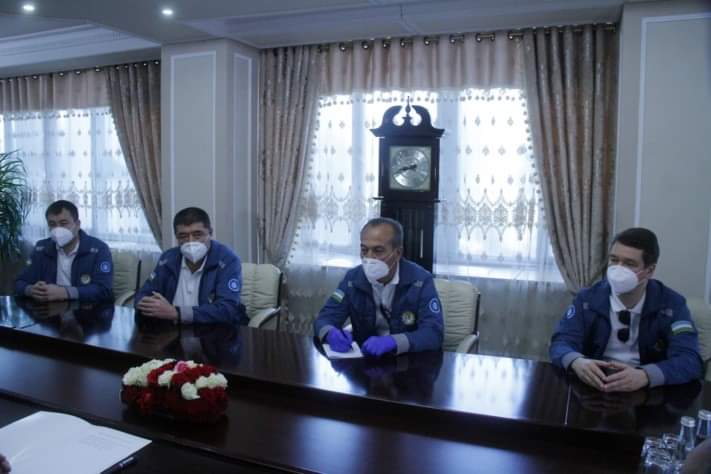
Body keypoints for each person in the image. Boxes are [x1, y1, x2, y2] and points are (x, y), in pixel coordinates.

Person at [550, 228, 702, 392]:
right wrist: (576, 361)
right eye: (614, 260)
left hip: (646, 391)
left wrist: (646, 375)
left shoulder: (672, 304)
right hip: (595, 386)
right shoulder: (587, 299)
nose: (618, 269)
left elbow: (690, 360)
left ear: (649, 270)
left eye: (629, 264)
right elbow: (561, 342)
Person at [314, 217, 443, 357]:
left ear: (398, 253)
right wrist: (330, 333)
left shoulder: (420, 280)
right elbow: (325, 317)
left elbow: (433, 333)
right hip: (364, 359)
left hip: (407, 361)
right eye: (364, 250)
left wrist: (394, 342)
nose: (369, 257)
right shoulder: (353, 279)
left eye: (378, 250)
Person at [136, 207, 245, 324]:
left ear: (210, 233)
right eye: (183, 236)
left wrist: (176, 313)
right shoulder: (168, 258)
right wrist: (147, 304)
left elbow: (227, 309)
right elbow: (143, 294)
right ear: (176, 238)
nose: (191, 241)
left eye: (197, 234)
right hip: (171, 328)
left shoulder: (227, 260)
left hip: (215, 330)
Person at [15, 200, 113, 303]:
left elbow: (104, 289)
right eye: (52, 224)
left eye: (63, 223)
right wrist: (31, 290)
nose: (58, 229)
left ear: (77, 225)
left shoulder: (99, 249)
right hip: (49, 309)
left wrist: (65, 292)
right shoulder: (41, 248)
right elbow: (20, 282)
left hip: (87, 308)